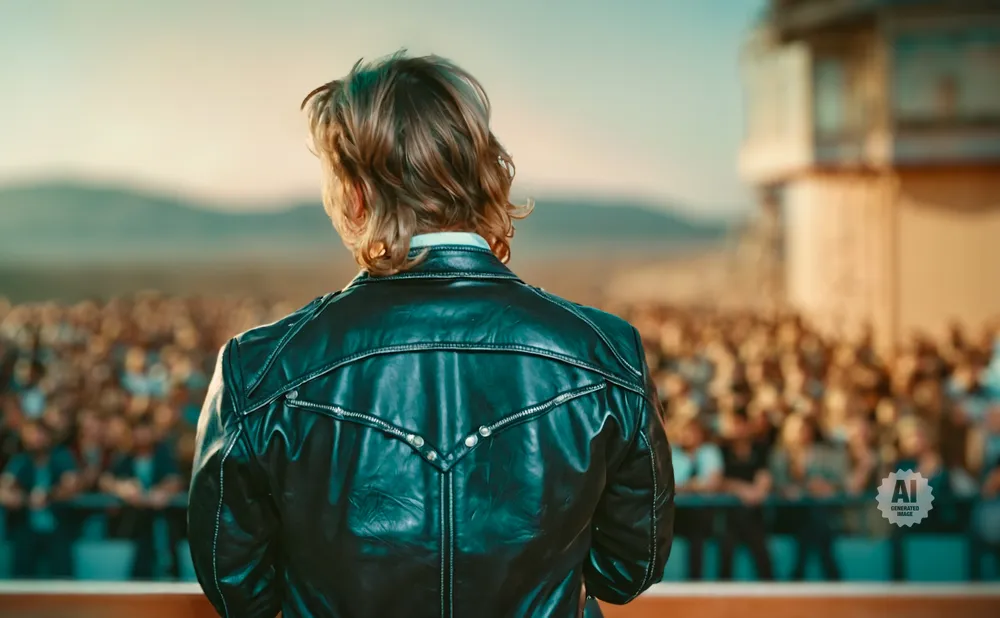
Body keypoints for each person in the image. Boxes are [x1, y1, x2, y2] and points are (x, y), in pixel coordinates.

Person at [187, 51, 674, 618]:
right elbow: (626, 570)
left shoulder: (260, 368)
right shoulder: (605, 355)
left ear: (356, 194)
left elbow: (236, 587)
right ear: (484, 175)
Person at [0, 420, 79, 578]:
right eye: (29, 434)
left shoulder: (61, 456)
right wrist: (21, 498)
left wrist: (48, 495)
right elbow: (4, 487)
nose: (34, 438)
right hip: (27, 527)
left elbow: (71, 486)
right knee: (21, 574)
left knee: (63, 575)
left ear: (48, 436)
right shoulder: (20, 460)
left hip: (57, 526)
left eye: (38, 433)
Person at [718, 407, 774, 581]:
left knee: (761, 551)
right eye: (735, 424)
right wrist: (742, 490)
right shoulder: (722, 450)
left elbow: (764, 476)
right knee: (727, 550)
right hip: (729, 514)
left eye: (742, 424)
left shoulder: (761, 448)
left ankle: (770, 591)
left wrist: (757, 492)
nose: (739, 429)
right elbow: (720, 480)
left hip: (754, 512)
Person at [671, 416, 722, 580]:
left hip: (703, 513)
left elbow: (713, 483)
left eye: (694, 431)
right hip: (675, 512)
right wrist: (695, 485)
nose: (690, 435)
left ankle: (696, 581)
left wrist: (686, 486)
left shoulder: (709, 451)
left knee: (699, 536)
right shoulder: (673, 452)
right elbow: (669, 485)